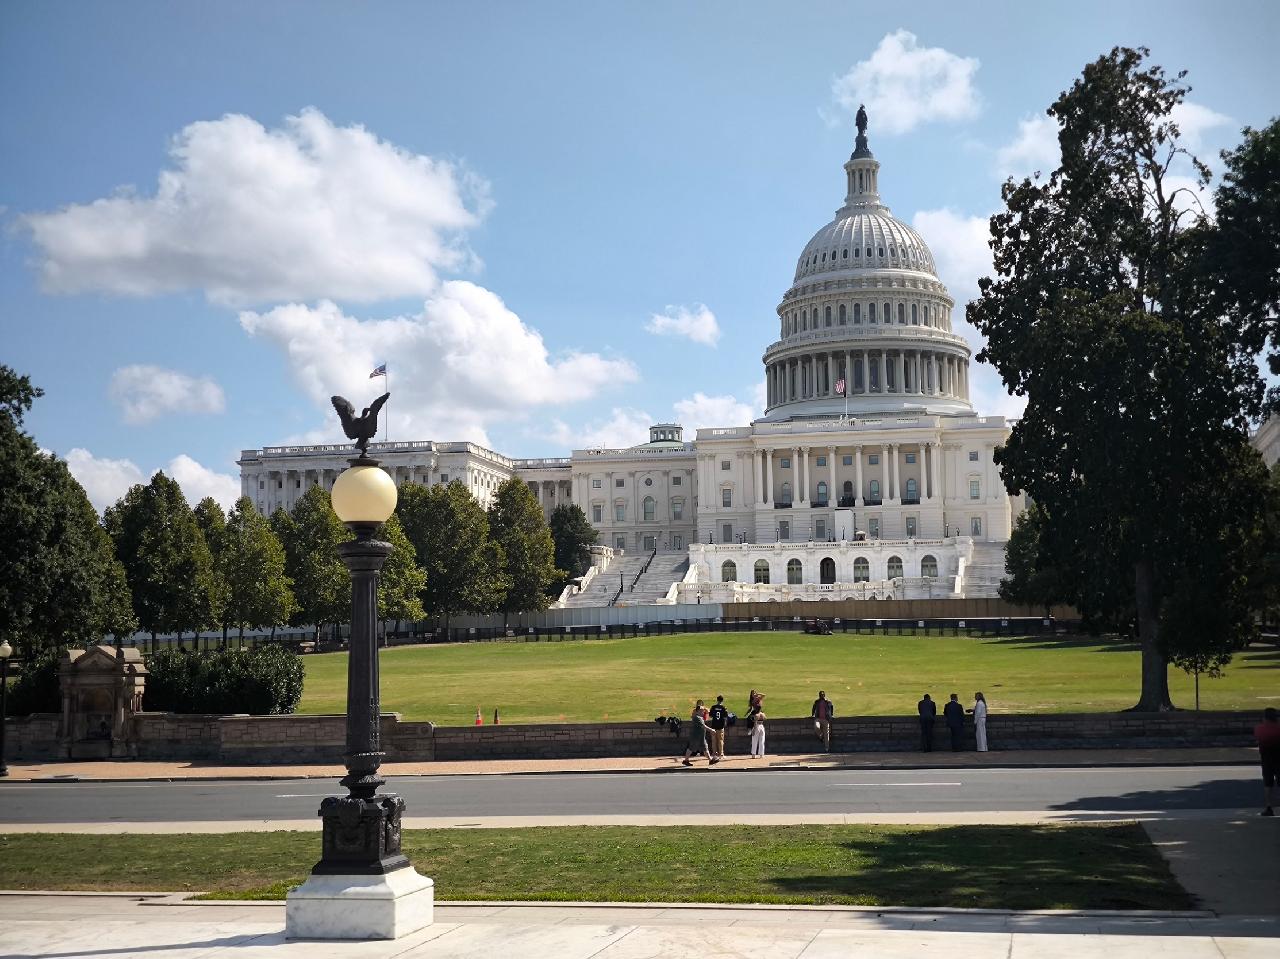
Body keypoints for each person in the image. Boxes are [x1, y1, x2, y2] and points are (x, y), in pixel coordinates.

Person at [1255, 707, 1280, 816]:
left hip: (1266, 759)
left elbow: (1259, 739)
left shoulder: (1259, 729)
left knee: (1268, 784)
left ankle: (1269, 807)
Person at [682, 700, 718, 766]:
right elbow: (704, 726)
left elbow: (706, 718)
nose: (703, 712)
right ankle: (686, 760)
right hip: (696, 737)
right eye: (702, 711)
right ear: (698, 711)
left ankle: (710, 760)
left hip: (701, 737)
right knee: (691, 748)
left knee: (705, 748)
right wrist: (711, 730)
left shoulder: (699, 717)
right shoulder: (697, 718)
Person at [708, 695, 729, 759]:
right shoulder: (724, 707)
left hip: (714, 725)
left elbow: (710, 716)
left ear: (717, 700)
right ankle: (721, 754)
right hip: (720, 725)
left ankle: (714, 754)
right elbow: (725, 717)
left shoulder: (713, 707)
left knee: (714, 740)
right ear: (722, 700)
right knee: (720, 740)